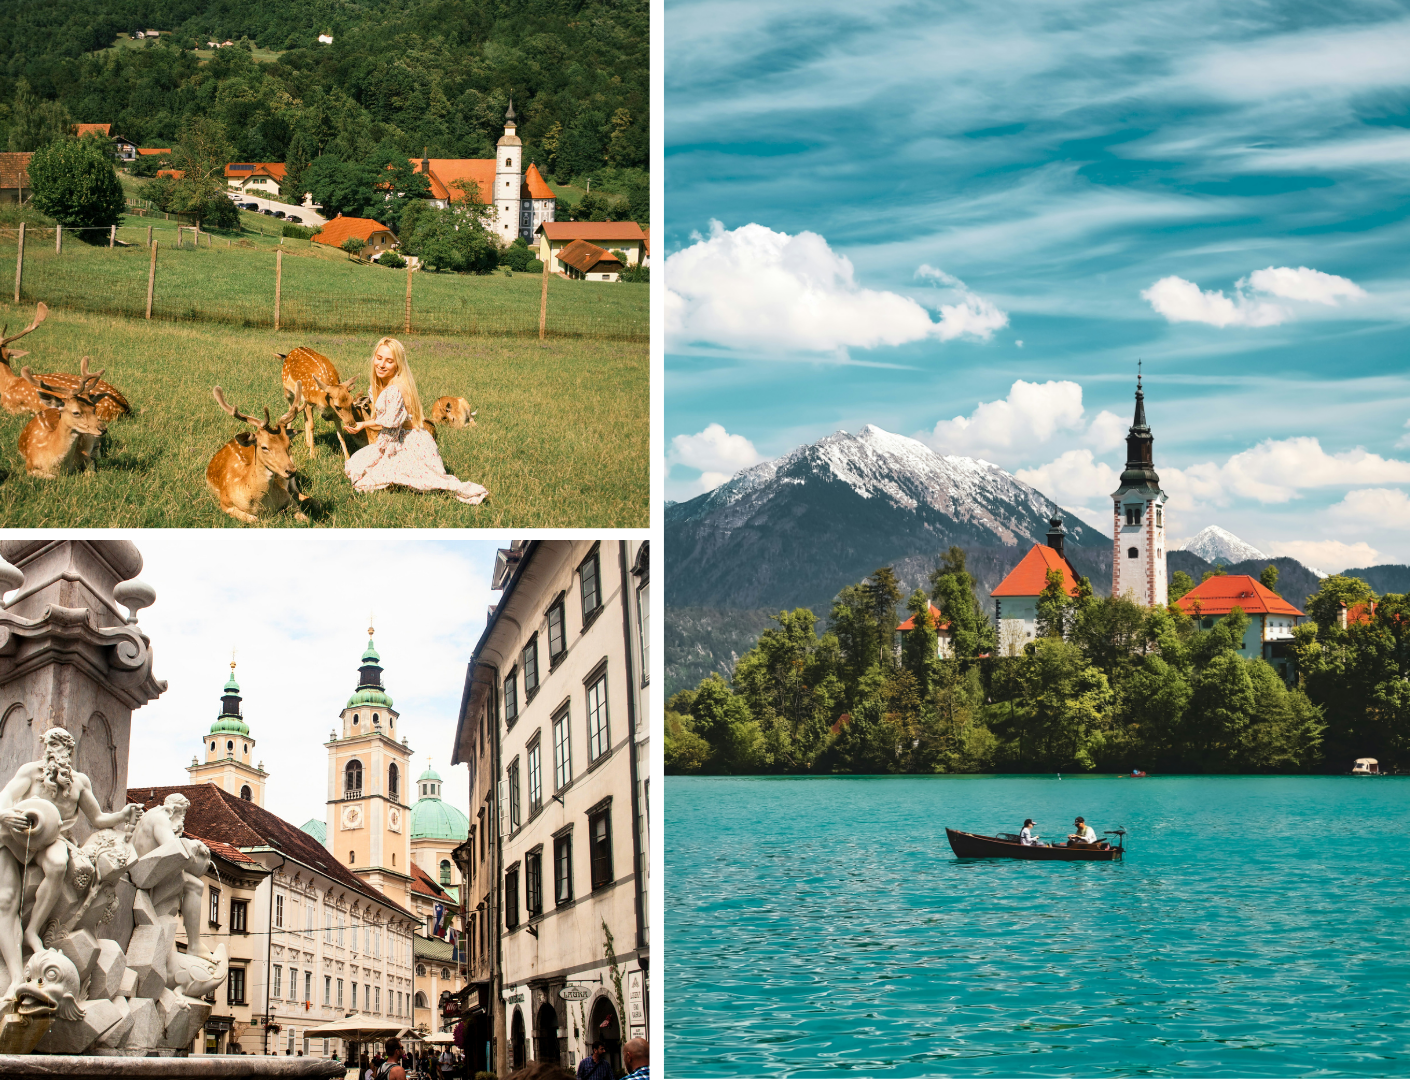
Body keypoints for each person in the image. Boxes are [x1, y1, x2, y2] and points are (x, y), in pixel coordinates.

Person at [343, 337, 489, 504]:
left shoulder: (395, 388)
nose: (382, 364)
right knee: (356, 464)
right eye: (379, 358)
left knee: (369, 479)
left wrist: (363, 424)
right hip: (395, 436)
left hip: (409, 440)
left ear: (398, 365)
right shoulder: (381, 384)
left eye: (389, 361)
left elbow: (390, 421)